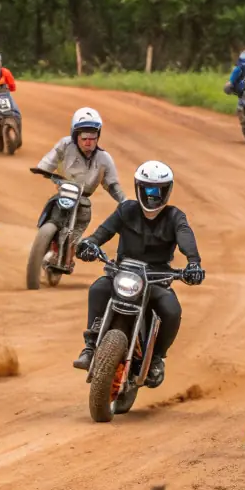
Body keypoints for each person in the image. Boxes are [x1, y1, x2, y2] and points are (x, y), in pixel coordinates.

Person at [75, 160, 205, 385]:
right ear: (138, 187)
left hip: (157, 279)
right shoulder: (127, 210)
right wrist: (90, 243)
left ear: (167, 190)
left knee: (171, 310)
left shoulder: (175, 217)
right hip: (122, 273)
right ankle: (90, 345)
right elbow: (104, 231)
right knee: (98, 289)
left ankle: (155, 358)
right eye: (146, 188)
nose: (151, 195)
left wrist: (193, 263)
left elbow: (185, 236)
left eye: (157, 190)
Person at [34, 107, 126, 239]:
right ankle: (43, 231)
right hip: (64, 191)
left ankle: (70, 253)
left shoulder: (104, 158)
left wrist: (124, 201)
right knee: (51, 206)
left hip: (83, 199)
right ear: (75, 135)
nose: (88, 141)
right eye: (84, 137)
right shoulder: (65, 144)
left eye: (93, 137)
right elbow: (50, 160)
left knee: (78, 228)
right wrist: (42, 169)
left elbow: (112, 184)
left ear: (98, 136)